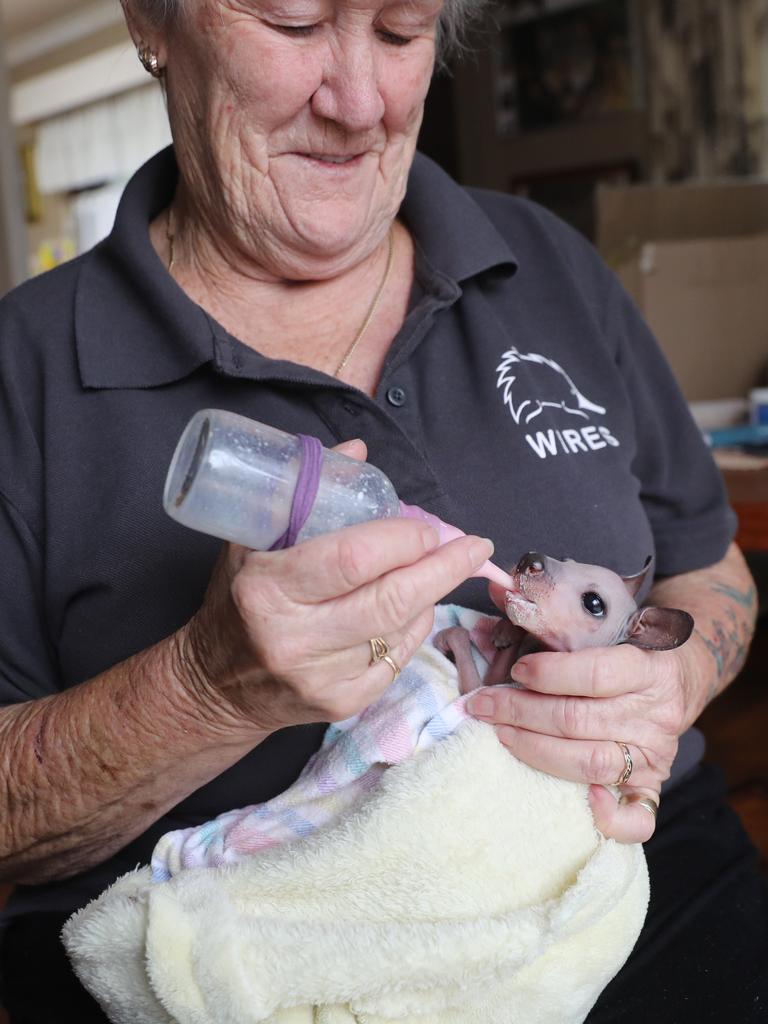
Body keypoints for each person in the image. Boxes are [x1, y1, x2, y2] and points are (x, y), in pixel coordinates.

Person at [0, 0, 763, 1019]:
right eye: (294, 21)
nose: (359, 103)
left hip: (635, 896)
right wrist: (205, 690)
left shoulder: (546, 261)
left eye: (403, 32)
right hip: (256, 956)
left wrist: (668, 685)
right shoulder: (26, 371)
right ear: (153, 20)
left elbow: (711, 574)